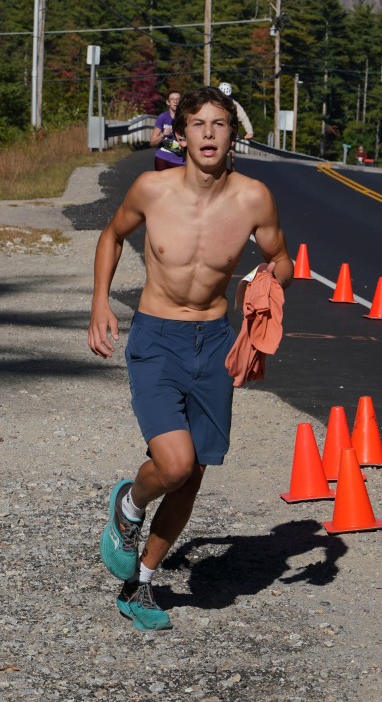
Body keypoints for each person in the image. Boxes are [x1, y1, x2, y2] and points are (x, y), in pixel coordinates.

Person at [87, 84, 293, 631]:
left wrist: (268, 283)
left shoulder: (253, 199)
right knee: (173, 464)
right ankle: (129, 506)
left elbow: (282, 258)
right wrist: (100, 303)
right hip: (156, 340)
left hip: (215, 343)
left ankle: (141, 584)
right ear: (181, 135)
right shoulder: (152, 190)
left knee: (193, 473)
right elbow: (111, 236)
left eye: (219, 124)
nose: (208, 134)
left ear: (232, 137)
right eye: (198, 124)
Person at [217, 81, 254, 171]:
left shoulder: (234, 105)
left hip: (230, 133)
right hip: (216, 133)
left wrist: (249, 132)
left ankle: (231, 170)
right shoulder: (213, 104)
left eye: (227, 97)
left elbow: (243, 118)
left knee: (231, 151)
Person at [149, 88, 185, 172]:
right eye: (172, 99)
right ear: (168, 102)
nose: (175, 101)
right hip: (163, 158)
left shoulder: (185, 118)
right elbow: (152, 142)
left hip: (180, 160)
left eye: (178, 99)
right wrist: (163, 134)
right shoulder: (162, 117)